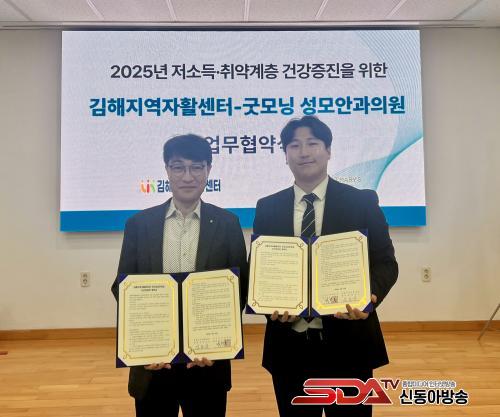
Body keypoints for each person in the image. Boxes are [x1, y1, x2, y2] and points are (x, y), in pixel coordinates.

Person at [253, 116, 398, 417]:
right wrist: (270, 306)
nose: (304, 152)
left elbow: (385, 262)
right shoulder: (267, 207)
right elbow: (261, 271)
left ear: (328, 150)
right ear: (285, 155)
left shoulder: (361, 202)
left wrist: (370, 296)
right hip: (289, 346)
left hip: (349, 343)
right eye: (294, 145)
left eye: (312, 143)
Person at [112, 134, 248, 417]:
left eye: (196, 167)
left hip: (207, 363)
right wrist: (144, 344)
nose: (188, 176)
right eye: (178, 167)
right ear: (167, 170)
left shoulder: (227, 224)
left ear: (208, 170)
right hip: (153, 363)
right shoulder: (139, 225)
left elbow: (240, 289)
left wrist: (216, 339)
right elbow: (123, 289)